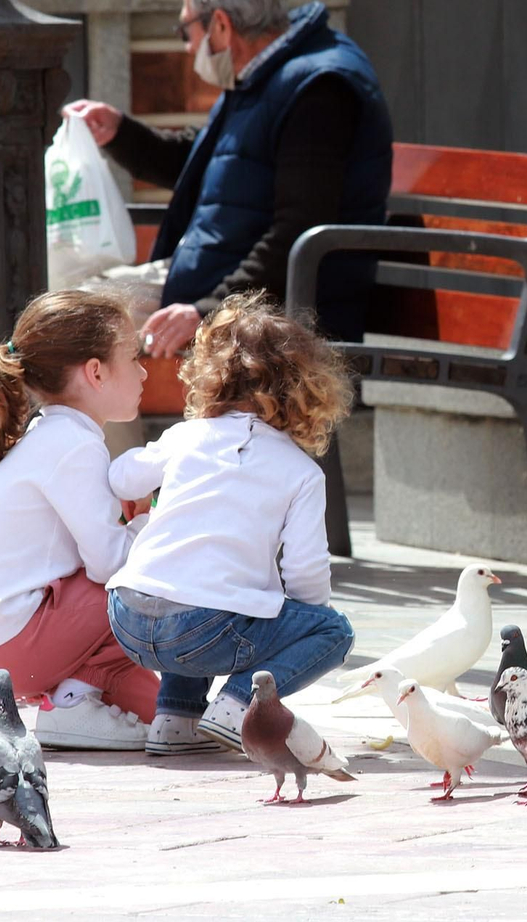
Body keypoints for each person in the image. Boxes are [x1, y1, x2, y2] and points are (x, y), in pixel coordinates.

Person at [63, 0, 393, 358]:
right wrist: (120, 134)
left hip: (262, 301)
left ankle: (86, 425)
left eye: (186, 30)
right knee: (64, 312)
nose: (186, 46)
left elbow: (298, 231)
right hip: (215, 278)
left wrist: (205, 311)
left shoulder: (317, 89)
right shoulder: (264, 74)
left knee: (74, 327)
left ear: (220, 25)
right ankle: (88, 425)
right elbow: (210, 166)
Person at [105, 292, 356, 756]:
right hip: (205, 628)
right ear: (307, 390)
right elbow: (305, 573)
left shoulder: (185, 436)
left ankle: (175, 719)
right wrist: (298, 625)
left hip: (128, 617)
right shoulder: (301, 471)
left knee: (193, 589)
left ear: (209, 375)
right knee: (332, 631)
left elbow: (121, 475)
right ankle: (240, 702)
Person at [0, 290, 160, 749]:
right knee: (154, 575)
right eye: (133, 357)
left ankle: (17, 689)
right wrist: (149, 521)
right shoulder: (74, 445)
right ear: (96, 371)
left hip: (0, 639)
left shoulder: (51, 435)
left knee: (166, 717)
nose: (144, 370)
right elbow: (111, 566)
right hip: (20, 641)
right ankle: (66, 706)